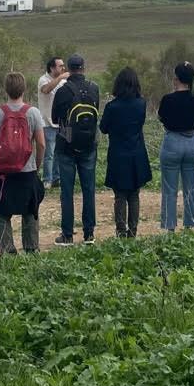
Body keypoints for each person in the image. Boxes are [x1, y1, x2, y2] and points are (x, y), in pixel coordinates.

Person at [0, 72, 46, 255]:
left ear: (5, 90)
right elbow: (41, 144)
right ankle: (31, 248)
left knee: (2, 210)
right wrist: (37, 164)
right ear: (24, 89)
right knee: (30, 208)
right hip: (27, 170)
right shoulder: (33, 113)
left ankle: (7, 250)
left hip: (0, 171)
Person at [51, 53, 100, 245]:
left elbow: (55, 119)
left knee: (67, 191)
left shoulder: (63, 91)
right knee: (89, 189)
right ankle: (89, 234)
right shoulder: (94, 88)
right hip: (89, 145)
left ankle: (67, 235)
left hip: (66, 144)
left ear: (68, 69)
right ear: (84, 68)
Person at [100, 67, 152, 237]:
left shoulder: (112, 107)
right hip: (137, 153)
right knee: (135, 195)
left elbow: (104, 128)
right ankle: (133, 231)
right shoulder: (141, 104)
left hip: (118, 154)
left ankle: (121, 231)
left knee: (120, 195)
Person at [158, 61, 194, 232]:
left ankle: (169, 227)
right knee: (190, 187)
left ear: (176, 79)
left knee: (169, 188)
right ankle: (191, 224)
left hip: (172, 143)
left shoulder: (167, 99)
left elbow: (161, 117)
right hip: (192, 143)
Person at [37, 56, 66, 188]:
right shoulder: (43, 80)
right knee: (49, 153)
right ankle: (47, 179)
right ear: (52, 68)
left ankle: (57, 178)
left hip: (63, 123)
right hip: (47, 122)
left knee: (62, 152)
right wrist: (60, 78)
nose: (63, 68)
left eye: (63, 65)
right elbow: (46, 90)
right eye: (60, 66)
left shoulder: (64, 81)